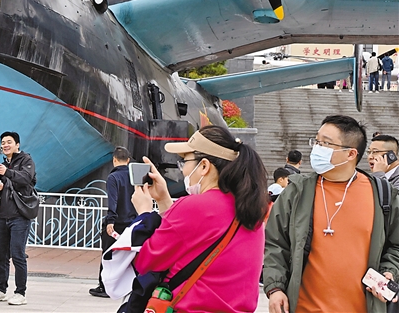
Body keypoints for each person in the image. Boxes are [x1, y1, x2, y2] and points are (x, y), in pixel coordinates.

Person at [264, 115, 399, 313]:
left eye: (325, 143)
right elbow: (275, 243)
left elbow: (396, 245)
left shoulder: (382, 195)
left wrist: (389, 271)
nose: (317, 148)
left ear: (351, 154)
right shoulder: (297, 192)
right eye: (316, 141)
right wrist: (275, 287)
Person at [130, 125, 268, 312]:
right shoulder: (251, 210)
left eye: (184, 161)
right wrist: (164, 200)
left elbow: (145, 262)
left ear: (204, 166)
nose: (183, 170)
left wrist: (144, 213)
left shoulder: (193, 206)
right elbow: (194, 240)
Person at [0, 131, 37, 306]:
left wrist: (7, 172)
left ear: (17, 145)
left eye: (9, 142)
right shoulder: (2, 165)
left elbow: (26, 179)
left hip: (20, 216)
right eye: (3, 142)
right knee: (2, 256)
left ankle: (20, 293)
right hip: (4, 215)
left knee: (18, 255)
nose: (5, 145)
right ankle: (1, 290)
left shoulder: (26, 160)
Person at [89, 146, 136, 299]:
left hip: (116, 223)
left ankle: (105, 286)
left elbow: (113, 201)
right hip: (132, 221)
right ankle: (128, 285)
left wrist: (110, 220)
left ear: (114, 159)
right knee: (129, 255)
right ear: (128, 160)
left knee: (108, 254)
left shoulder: (113, 177)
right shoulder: (134, 177)